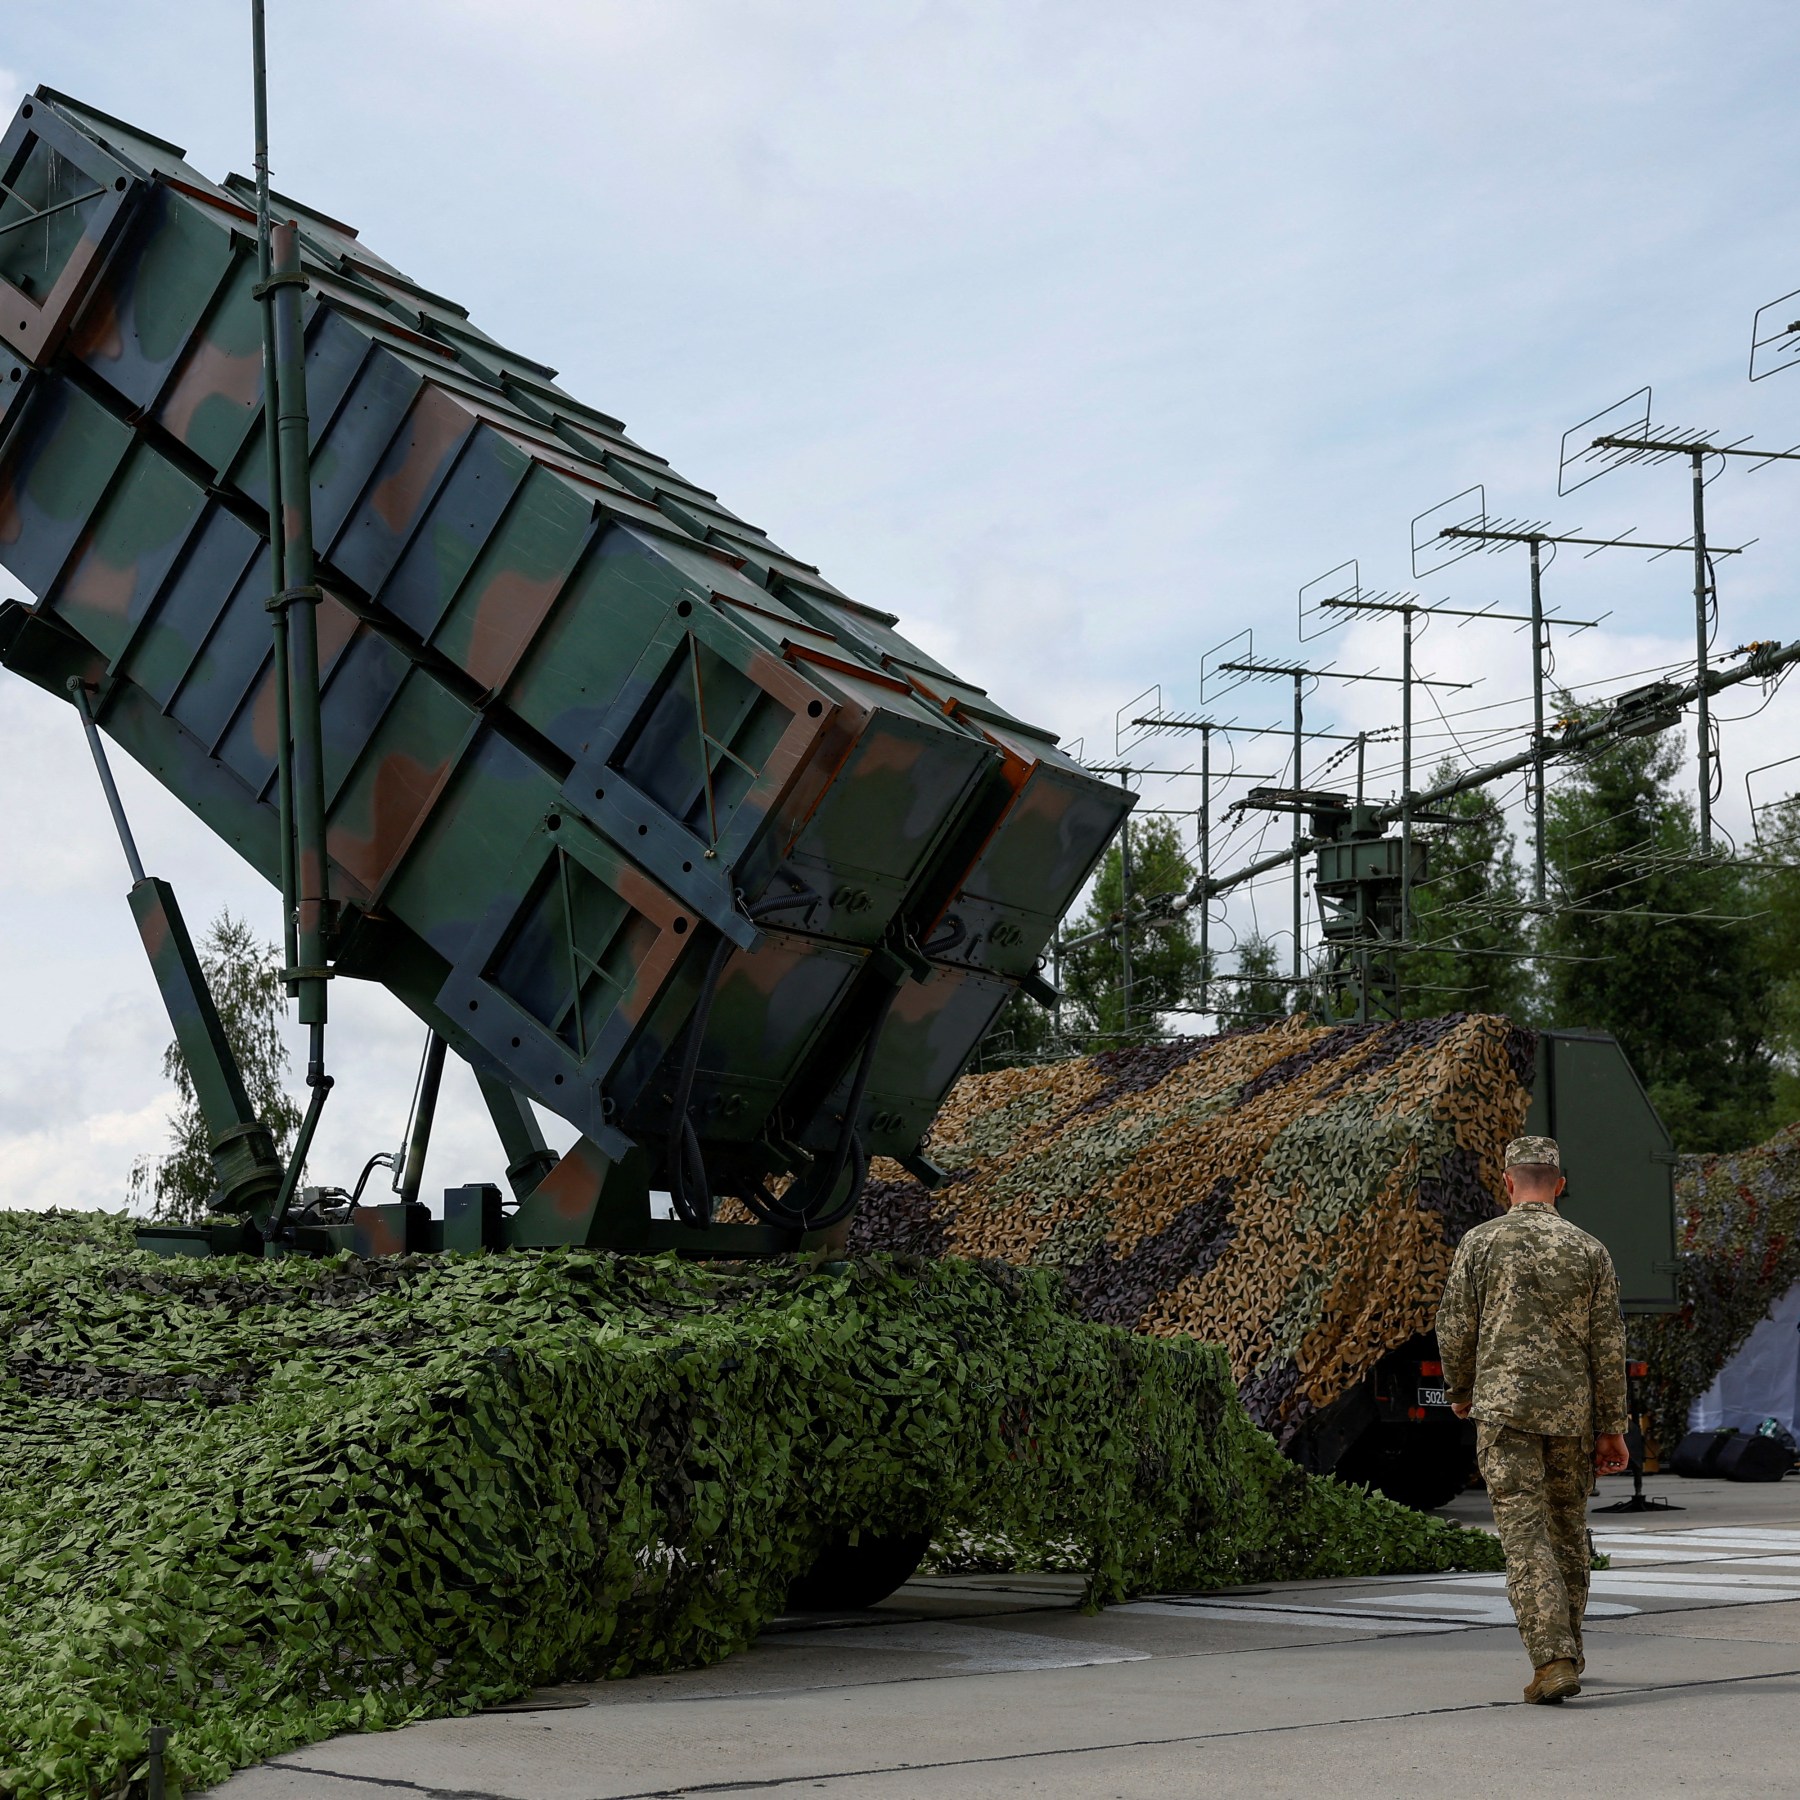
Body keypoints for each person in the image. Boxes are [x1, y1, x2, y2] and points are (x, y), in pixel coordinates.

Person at [1435, 1135, 1631, 1705]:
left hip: (1504, 1411)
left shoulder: (1480, 1242)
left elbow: (1455, 1325)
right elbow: (1608, 1344)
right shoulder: (1589, 1248)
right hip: (1571, 1415)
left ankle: (1552, 1660)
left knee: (1526, 1535)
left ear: (1507, 1181)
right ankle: (1570, 1650)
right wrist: (1612, 1426)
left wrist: (1461, 1389)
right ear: (1559, 1185)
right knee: (1568, 1533)